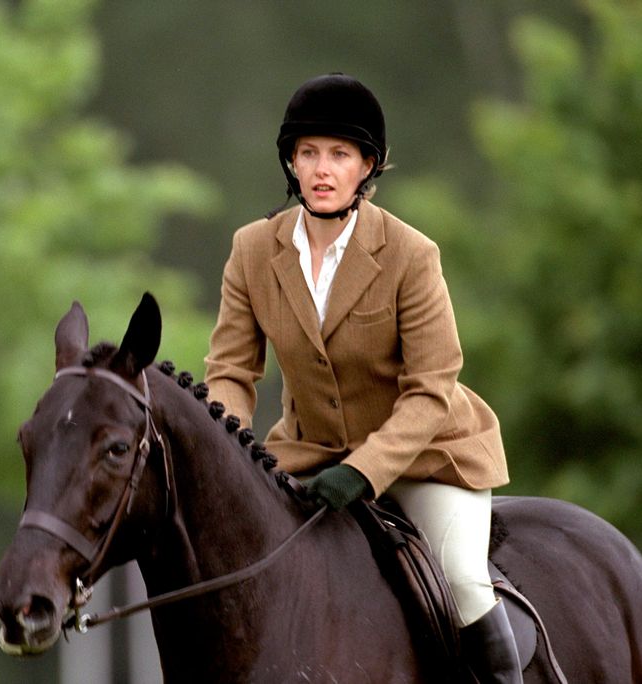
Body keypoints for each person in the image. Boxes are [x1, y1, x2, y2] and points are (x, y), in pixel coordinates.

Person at [204, 73, 521, 683]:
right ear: (291, 164)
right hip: (309, 455)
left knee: (461, 581)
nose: (322, 169)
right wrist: (231, 453)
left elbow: (432, 386)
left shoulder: (410, 254)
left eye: (340, 155)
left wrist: (364, 471)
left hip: (428, 455)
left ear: (366, 167)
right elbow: (232, 372)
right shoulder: (250, 250)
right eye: (309, 154)